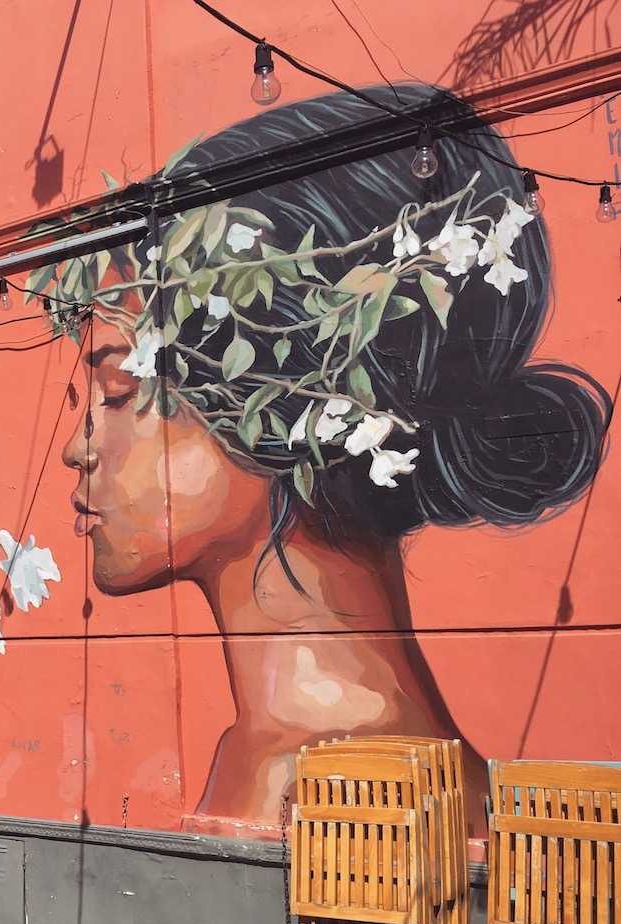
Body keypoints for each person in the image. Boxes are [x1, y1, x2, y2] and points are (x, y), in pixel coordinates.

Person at [59, 84, 610, 827]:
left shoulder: (343, 787)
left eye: (119, 391)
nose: (76, 450)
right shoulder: (260, 748)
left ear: (289, 395)